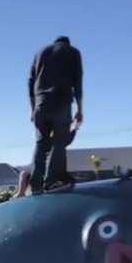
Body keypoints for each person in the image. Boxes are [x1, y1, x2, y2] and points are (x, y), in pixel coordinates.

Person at [28, 36, 83, 193]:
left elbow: (30, 81)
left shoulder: (40, 53)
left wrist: (32, 108)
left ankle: (36, 182)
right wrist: (79, 109)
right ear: (67, 43)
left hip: (40, 104)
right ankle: (50, 181)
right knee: (59, 142)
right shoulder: (73, 52)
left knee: (41, 143)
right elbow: (78, 81)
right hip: (61, 102)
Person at [14, 120, 80, 198]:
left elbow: (24, 174)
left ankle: (49, 184)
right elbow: (24, 174)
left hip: (45, 181)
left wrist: (75, 127)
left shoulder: (45, 145)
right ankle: (49, 184)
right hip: (46, 180)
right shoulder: (48, 144)